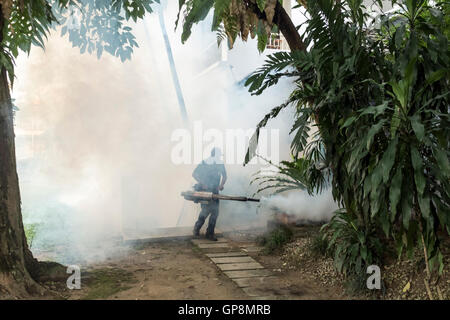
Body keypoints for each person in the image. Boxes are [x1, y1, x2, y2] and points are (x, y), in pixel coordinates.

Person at [192, 147, 227, 241]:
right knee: (205, 211)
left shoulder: (220, 164)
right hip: (205, 192)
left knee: (215, 212)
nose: (219, 157)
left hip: (215, 191)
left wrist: (221, 185)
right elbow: (194, 174)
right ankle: (196, 228)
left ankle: (210, 233)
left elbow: (225, 176)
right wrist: (202, 183)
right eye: (218, 155)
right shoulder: (204, 163)